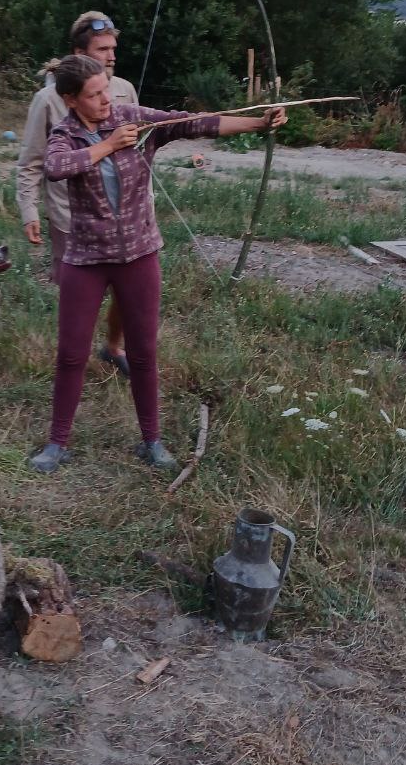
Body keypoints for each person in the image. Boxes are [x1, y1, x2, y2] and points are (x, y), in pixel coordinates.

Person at [28, 54, 287, 475]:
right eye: (94, 95)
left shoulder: (133, 118)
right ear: (71, 100)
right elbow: (55, 169)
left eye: (106, 90)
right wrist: (109, 145)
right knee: (71, 355)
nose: (106, 101)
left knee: (144, 352)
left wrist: (259, 123)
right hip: (87, 258)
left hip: (139, 254)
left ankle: (151, 441)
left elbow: (194, 123)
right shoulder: (65, 134)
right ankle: (57, 443)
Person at [16, 12, 138, 376]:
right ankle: (73, 361)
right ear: (79, 53)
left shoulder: (125, 90)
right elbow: (31, 162)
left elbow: (137, 147)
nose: (111, 56)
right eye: (102, 50)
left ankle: (113, 347)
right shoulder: (48, 100)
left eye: (113, 48)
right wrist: (29, 210)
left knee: (127, 291)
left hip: (124, 218)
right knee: (79, 297)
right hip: (71, 218)